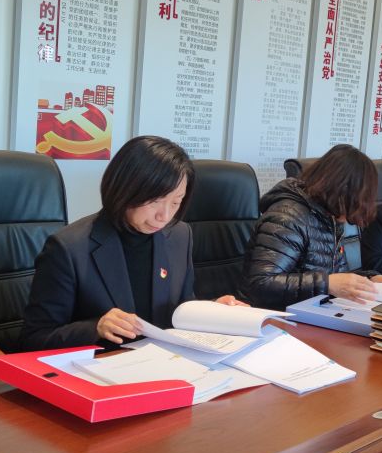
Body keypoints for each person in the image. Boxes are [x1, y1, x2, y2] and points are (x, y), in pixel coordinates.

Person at [20, 135, 244, 350]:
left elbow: (180, 309)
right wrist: (95, 328)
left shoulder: (179, 235)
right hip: (103, 365)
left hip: (164, 362)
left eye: (176, 202)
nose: (165, 216)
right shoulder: (68, 248)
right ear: (125, 190)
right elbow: (34, 339)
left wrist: (211, 312)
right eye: (155, 201)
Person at [239, 144, 382, 310]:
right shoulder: (288, 217)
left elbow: (334, 277)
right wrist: (327, 284)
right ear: (341, 190)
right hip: (270, 315)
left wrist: (367, 279)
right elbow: (261, 284)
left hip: (309, 310)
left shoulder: (329, 217)